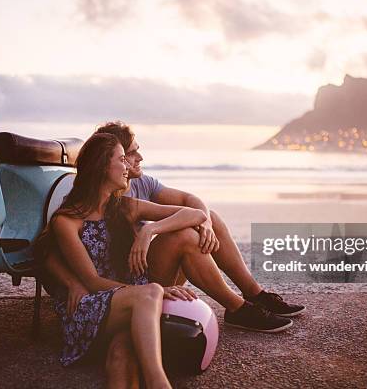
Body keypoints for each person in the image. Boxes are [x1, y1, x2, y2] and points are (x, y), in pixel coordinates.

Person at [36, 132, 205, 388]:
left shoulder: (125, 207)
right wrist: (152, 292)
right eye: (122, 159)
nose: (128, 167)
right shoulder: (67, 221)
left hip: (128, 305)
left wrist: (150, 231)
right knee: (150, 293)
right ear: (103, 166)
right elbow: (91, 282)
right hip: (90, 307)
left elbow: (194, 215)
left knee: (122, 353)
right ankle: (158, 381)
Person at [95, 121, 305, 323]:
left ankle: (255, 294)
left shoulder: (142, 182)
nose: (140, 157)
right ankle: (237, 308)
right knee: (184, 236)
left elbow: (191, 201)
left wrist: (198, 224)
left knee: (210, 217)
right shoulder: (110, 199)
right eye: (131, 153)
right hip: (130, 285)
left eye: (137, 150)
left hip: (150, 273)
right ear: (112, 159)